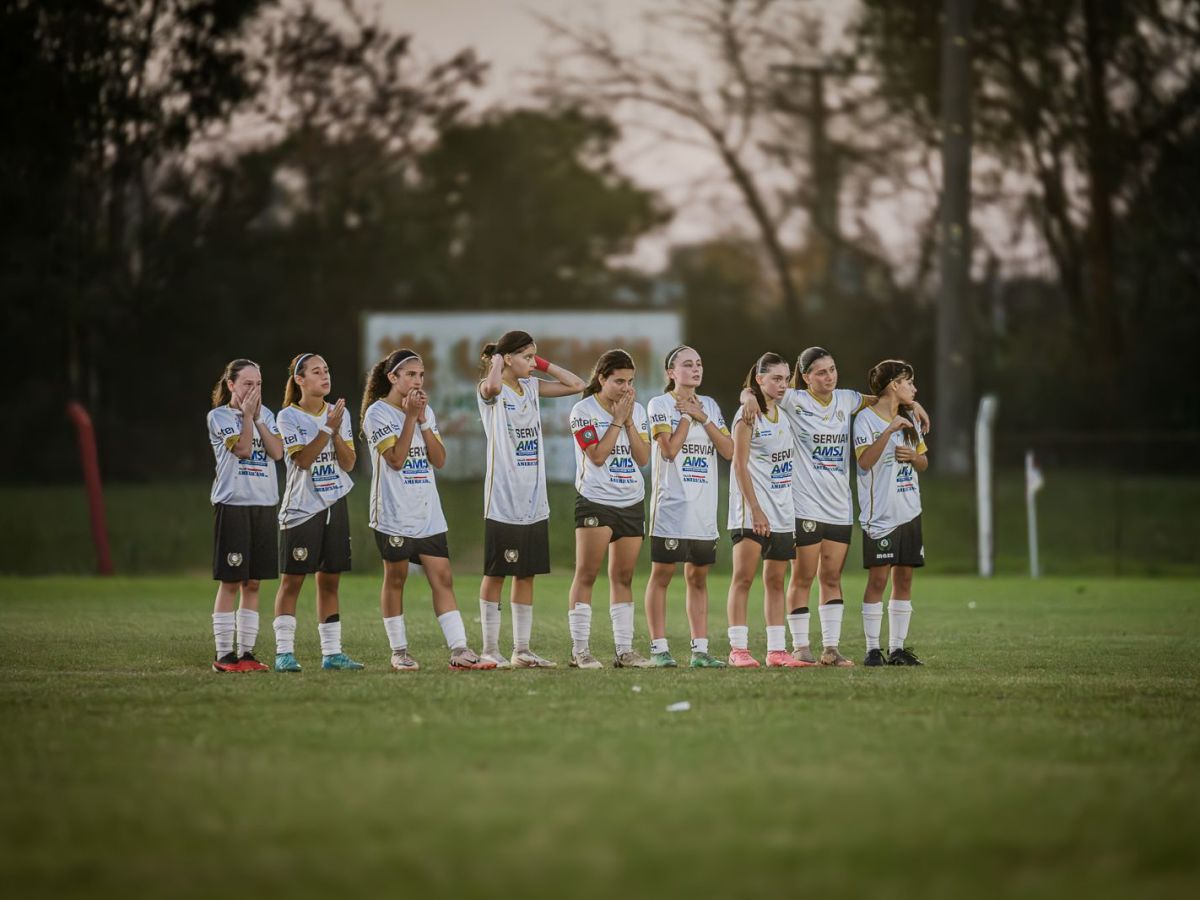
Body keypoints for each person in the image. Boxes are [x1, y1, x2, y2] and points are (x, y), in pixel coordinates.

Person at [739, 347, 931, 667]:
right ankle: (801, 647)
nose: (829, 377)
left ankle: (831, 649)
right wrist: (747, 396)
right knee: (802, 576)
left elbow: (881, 398)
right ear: (805, 378)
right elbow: (761, 389)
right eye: (821, 372)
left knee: (831, 576)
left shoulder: (847, 399)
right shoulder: (794, 399)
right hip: (805, 504)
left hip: (839, 504)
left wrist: (914, 402)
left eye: (832, 369)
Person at [361, 349, 495, 671]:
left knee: (443, 577)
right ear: (392, 377)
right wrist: (409, 417)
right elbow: (395, 459)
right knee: (396, 577)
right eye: (410, 374)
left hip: (428, 512)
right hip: (394, 512)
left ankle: (460, 650)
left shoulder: (425, 411)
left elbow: (438, 460)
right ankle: (399, 651)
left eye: (421, 375)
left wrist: (421, 420)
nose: (418, 381)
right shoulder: (377, 413)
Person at [477, 330, 586, 668]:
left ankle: (522, 650)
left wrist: (541, 363)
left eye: (533, 357)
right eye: (526, 356)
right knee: (496, 573)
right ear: (507, 358)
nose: (532, 363)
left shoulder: (532, 387)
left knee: (526, 574)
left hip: (534, 499)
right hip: (503, 500)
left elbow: (576, 385)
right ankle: (490, 649)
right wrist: (497, 361)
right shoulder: (489, 390)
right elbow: (492, 387)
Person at [272, 352, 363, 672]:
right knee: (292, 581)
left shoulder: (339, 413)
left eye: (326, 370)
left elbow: (349, 463)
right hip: (302, 509)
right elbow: (302, 460)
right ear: (299, 380)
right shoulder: (288, 417)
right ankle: (284, 652)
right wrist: (327, 428)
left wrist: (336, 430)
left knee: (330, 581)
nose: (325, 377)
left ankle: (332, 653)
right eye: (316, 372)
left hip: (335, 503)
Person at [643, 345, 733, 668]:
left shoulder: (708, 405)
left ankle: (700, 651)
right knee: (662, 574)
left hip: (703, 511)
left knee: (698, 578)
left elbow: (729, 450)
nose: (696, 369)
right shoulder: (659, 404)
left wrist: (703, 417)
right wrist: (684, 415)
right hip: (671, 508)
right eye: (687, 365)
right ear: (671, 373)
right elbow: (668, 451)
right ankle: (659, 649)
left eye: (699, 364)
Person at [567, 349, 653, 669]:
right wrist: (617, 420)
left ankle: (625, 651)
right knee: (587, 574)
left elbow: (643, 459)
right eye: (619, 381)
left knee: (623, 576)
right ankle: (580, 651)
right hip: (596, 500)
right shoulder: (582, 411)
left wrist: (629, 421)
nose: (626, 388)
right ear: (601, 378)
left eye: (630, 382)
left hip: (631, 500)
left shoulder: (638, 411)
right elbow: (598, 456)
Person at [726, 353, 806, 668]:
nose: (782, 384)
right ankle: (738, 649)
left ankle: (776, 651)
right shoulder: (747, 416)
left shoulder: (781, 410)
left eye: (785, 378)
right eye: (775, 378)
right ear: (759, 379)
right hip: (751, 511)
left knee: (775, 580)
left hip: (783, 511)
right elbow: (738, 465)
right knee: (743, 578)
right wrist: (756, 509)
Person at [207, 359, 284, 673]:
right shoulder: (220, 416)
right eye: (247, 384)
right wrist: (248, 418)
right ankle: (224, 655)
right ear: (231, 385)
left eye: (259, 384)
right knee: (231, 581)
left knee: (253, 583)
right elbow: (242, 449)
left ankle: (247, 654)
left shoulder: (267, 415)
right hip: (234, 505)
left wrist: (258, 419)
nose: (254, 389)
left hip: (264, 505)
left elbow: (277, 453)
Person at [853, 359, 928, 667]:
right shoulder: (865, 420)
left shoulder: (909, 416)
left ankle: (897, 649)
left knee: (905, 579)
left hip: (909, 511)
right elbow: (864, 462)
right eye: (908, 382)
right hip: (880, 515)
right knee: (878, 581)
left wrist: (913, 456)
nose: (914, 387)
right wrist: (888, 430)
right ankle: (873, 649)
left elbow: (923, 463)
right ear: (894, 385)